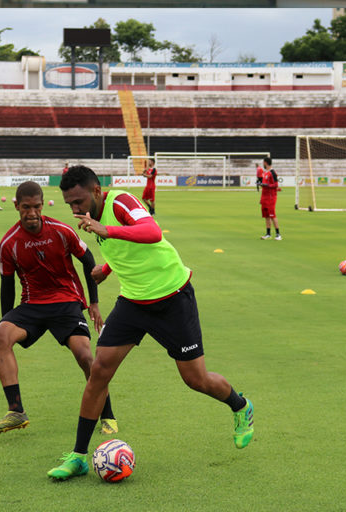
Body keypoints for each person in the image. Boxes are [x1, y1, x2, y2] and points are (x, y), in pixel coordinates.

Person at [47, 165, 253, 481]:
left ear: (96, 191)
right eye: (70, 204)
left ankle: (240, 406)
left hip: (172, 298)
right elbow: (129, 250)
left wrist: (107, 230)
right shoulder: (92, 218)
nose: (75, 209)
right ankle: (78, 456)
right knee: (99, 370)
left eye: (79, 201)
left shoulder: (120, 202)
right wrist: (107, 268)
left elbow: (151, 233)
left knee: (196, 379)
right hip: (133, 302)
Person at [0, 181, 118, 436]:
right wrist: (5, 320)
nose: (32, 213)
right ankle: (16, 411)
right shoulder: (9, 243)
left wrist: (93, 302)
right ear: (17, 206)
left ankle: (108, 415)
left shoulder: (61, 230)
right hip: (32, 304)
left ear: (42, 204)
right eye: (26, 207)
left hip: (66, 301)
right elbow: (7, 285)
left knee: (85, 356)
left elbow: (88, 259)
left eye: (36, 206)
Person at [259, 157, 281, 240]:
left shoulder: (272, 172)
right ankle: (268, 234)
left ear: (265, 163)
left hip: (271, 197)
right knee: (266, 216)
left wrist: (267, 185)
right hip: (264, 197)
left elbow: (276, 185)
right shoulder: (265, 173)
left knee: (272, 215)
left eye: (263, 163)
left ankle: (278, 234)